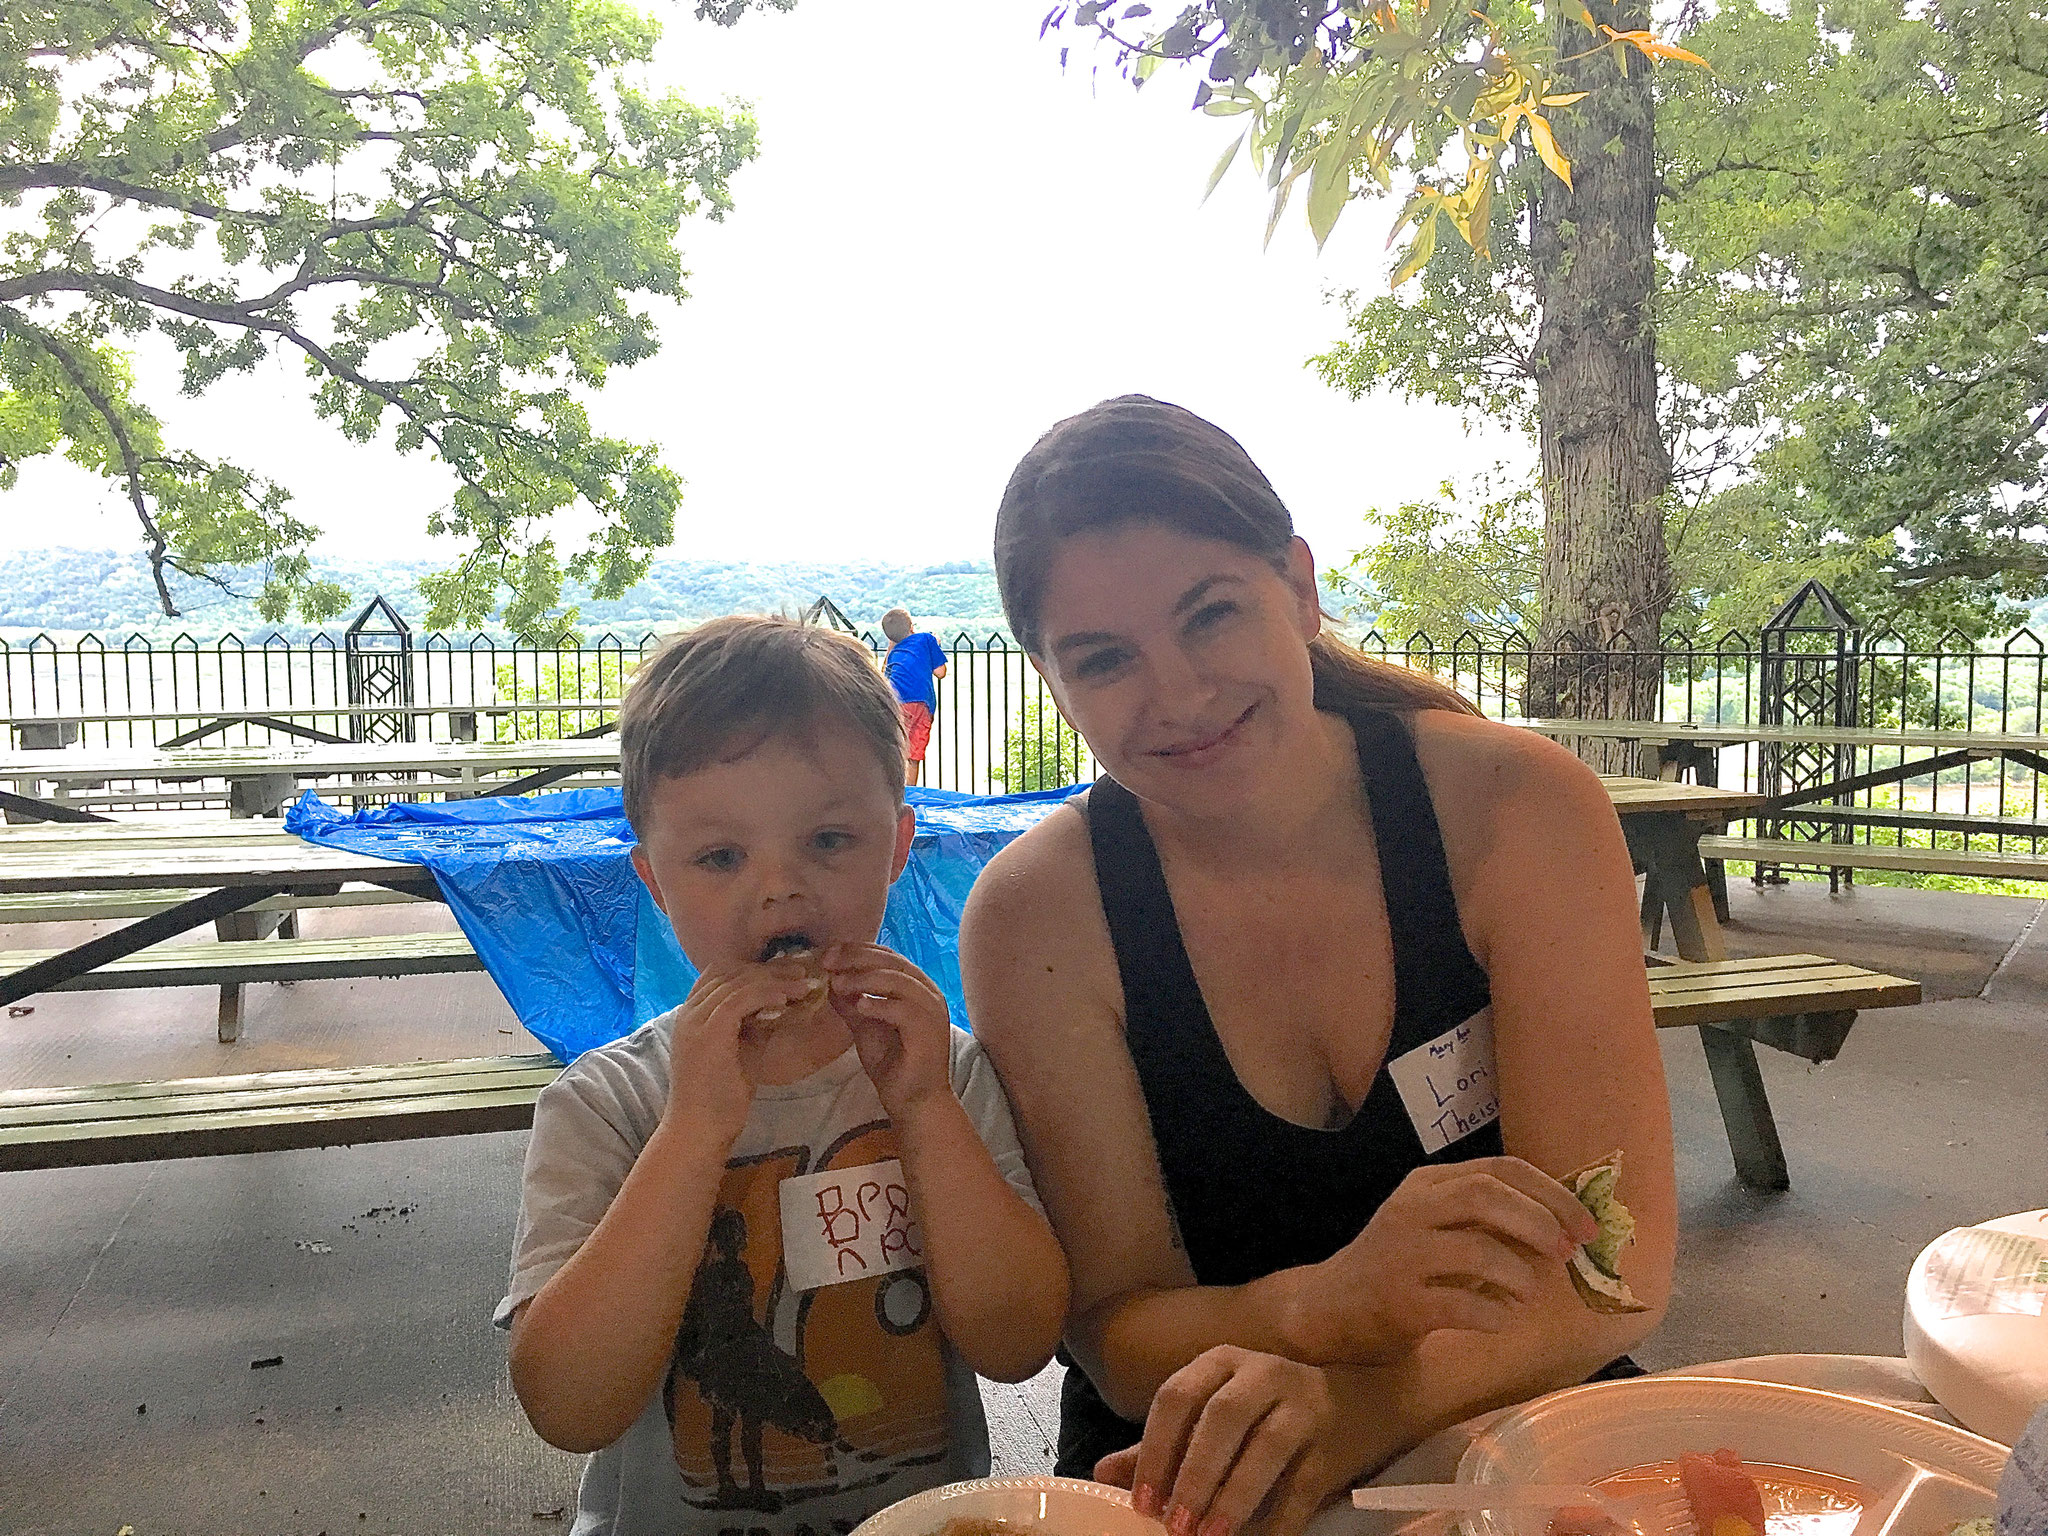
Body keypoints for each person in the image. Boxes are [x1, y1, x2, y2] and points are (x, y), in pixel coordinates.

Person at [961, 396, 1677, 1536]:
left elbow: (1613, 1266)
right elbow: (1109, 1330)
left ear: (1296, 586)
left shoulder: (1516, 812)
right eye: (1105, 662)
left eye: (1209, 616)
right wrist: (1322, 1308)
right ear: (1049, 679)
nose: (1180, 694)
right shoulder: (1038, 917)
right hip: (1186, 1475)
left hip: (1511, 1436)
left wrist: (1357, 1407)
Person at [498, 616, 1067, 1536]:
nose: (780, 888)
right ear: (655, 881)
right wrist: (694, 1131)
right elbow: (567, 1406)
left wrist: (921, 1110)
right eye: (722, 857)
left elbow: (1018, 1344)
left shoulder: (946, 1074)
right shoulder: (611, 1106)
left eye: (830, 841)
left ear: (895, 848)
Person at [881, 608, 948, 786]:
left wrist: (891, 646)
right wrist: (935, 646)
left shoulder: (894, 652)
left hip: (896, 704)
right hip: (921, 704)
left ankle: (894, 793)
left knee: (896, 750)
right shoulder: (926, 639)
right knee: (914, 755)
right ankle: (910, 796)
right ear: (912, 627)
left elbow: (883, 675)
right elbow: (940, 673)